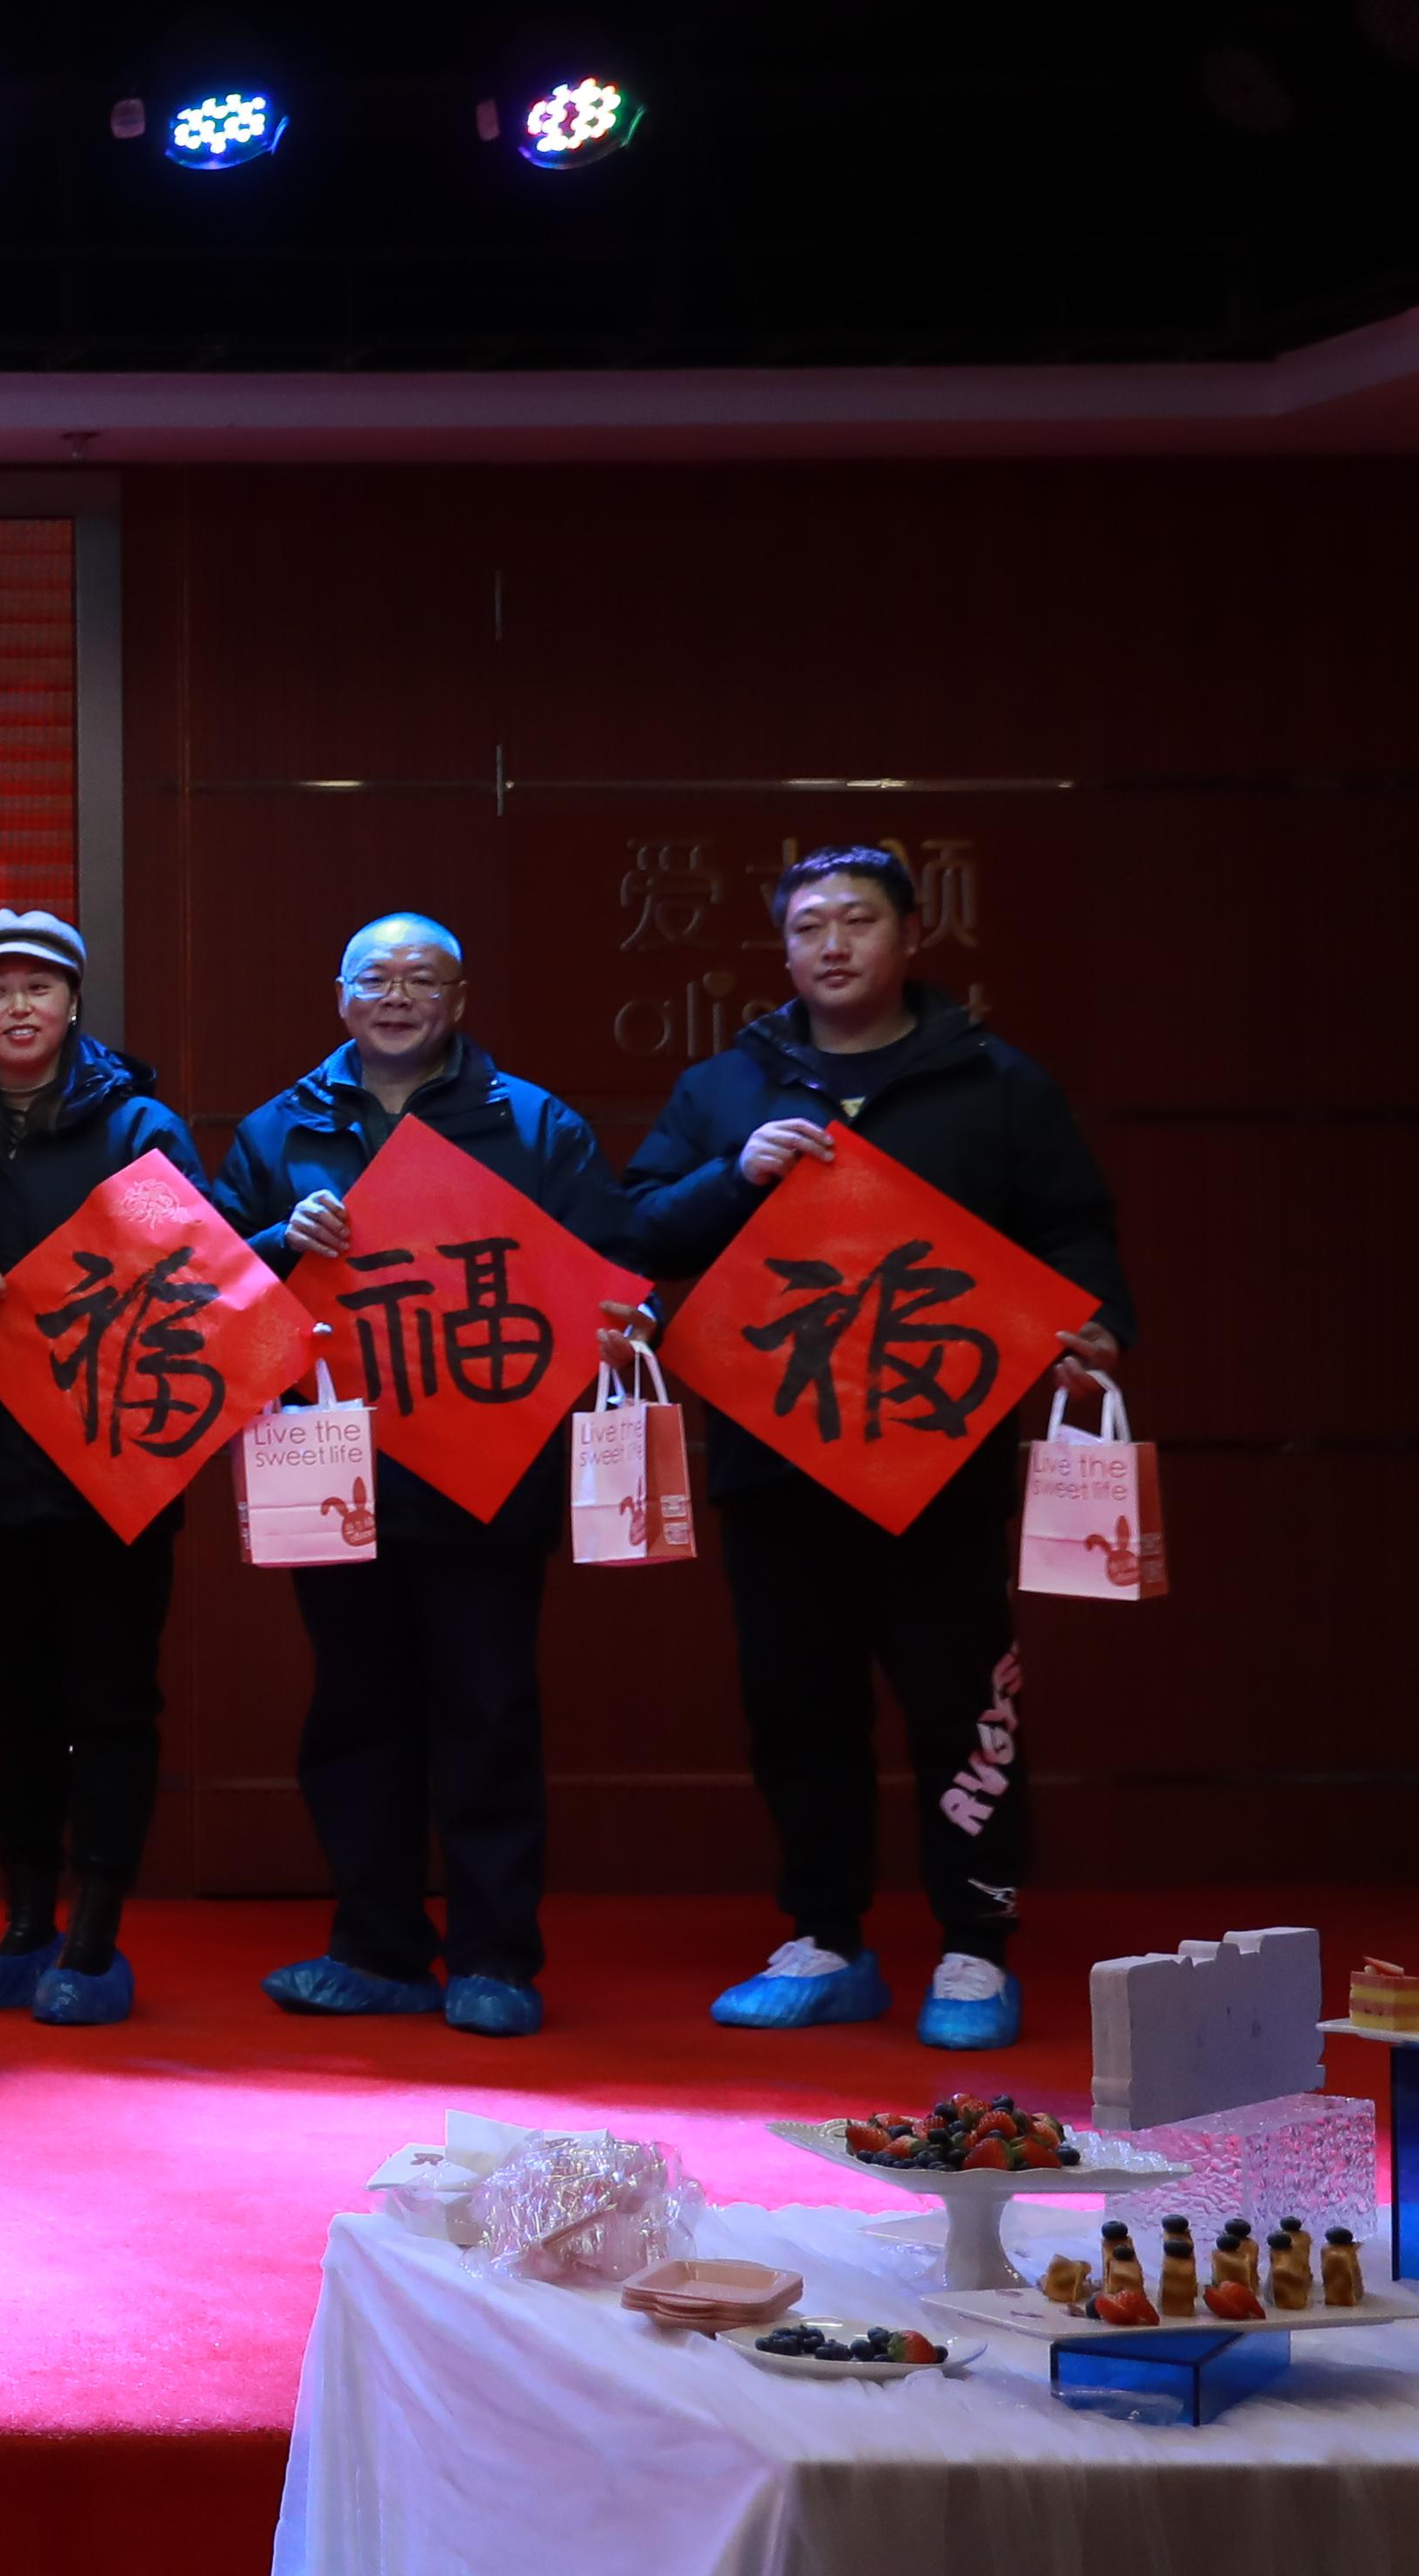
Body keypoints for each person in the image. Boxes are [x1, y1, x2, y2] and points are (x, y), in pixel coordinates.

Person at [624, 844, 1130, 2054]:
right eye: (809, 927)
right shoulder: (727, 1086)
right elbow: (637, 1229)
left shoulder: (994, 1080)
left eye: (857, 921)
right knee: (796, 1703)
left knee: (963, 1699)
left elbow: (1073, 1228)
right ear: (785, 948)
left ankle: (974, 1942)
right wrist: (732, 1176)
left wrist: (1096, 1326)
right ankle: (825, 1937)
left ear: (909, 938)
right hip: (773, 1453)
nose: (832, 944)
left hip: (938, 1453)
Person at [206, 913, 636, 2041]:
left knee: (487, 1712)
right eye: (376, 978)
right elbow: (210, 1286)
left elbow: (609, 1275)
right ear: (340, 995)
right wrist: (278, 1239)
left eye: (422, 980)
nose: (397, 996)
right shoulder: (279, 1129)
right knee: (354, 1712)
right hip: (336, 1467)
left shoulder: (534, 1125)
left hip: (488, 1467)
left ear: (459, 1000)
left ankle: (495, 1957)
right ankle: (378, 1948)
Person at [0, 912, 194, 2026]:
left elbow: (189, 1267)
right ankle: (24, 1921)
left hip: (118, 1455)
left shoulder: (138, 1126)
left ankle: (96, 1934)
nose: (17, 1007)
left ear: (71, 1003)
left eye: (38, 987)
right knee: (12, 1699)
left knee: (111, 1696)